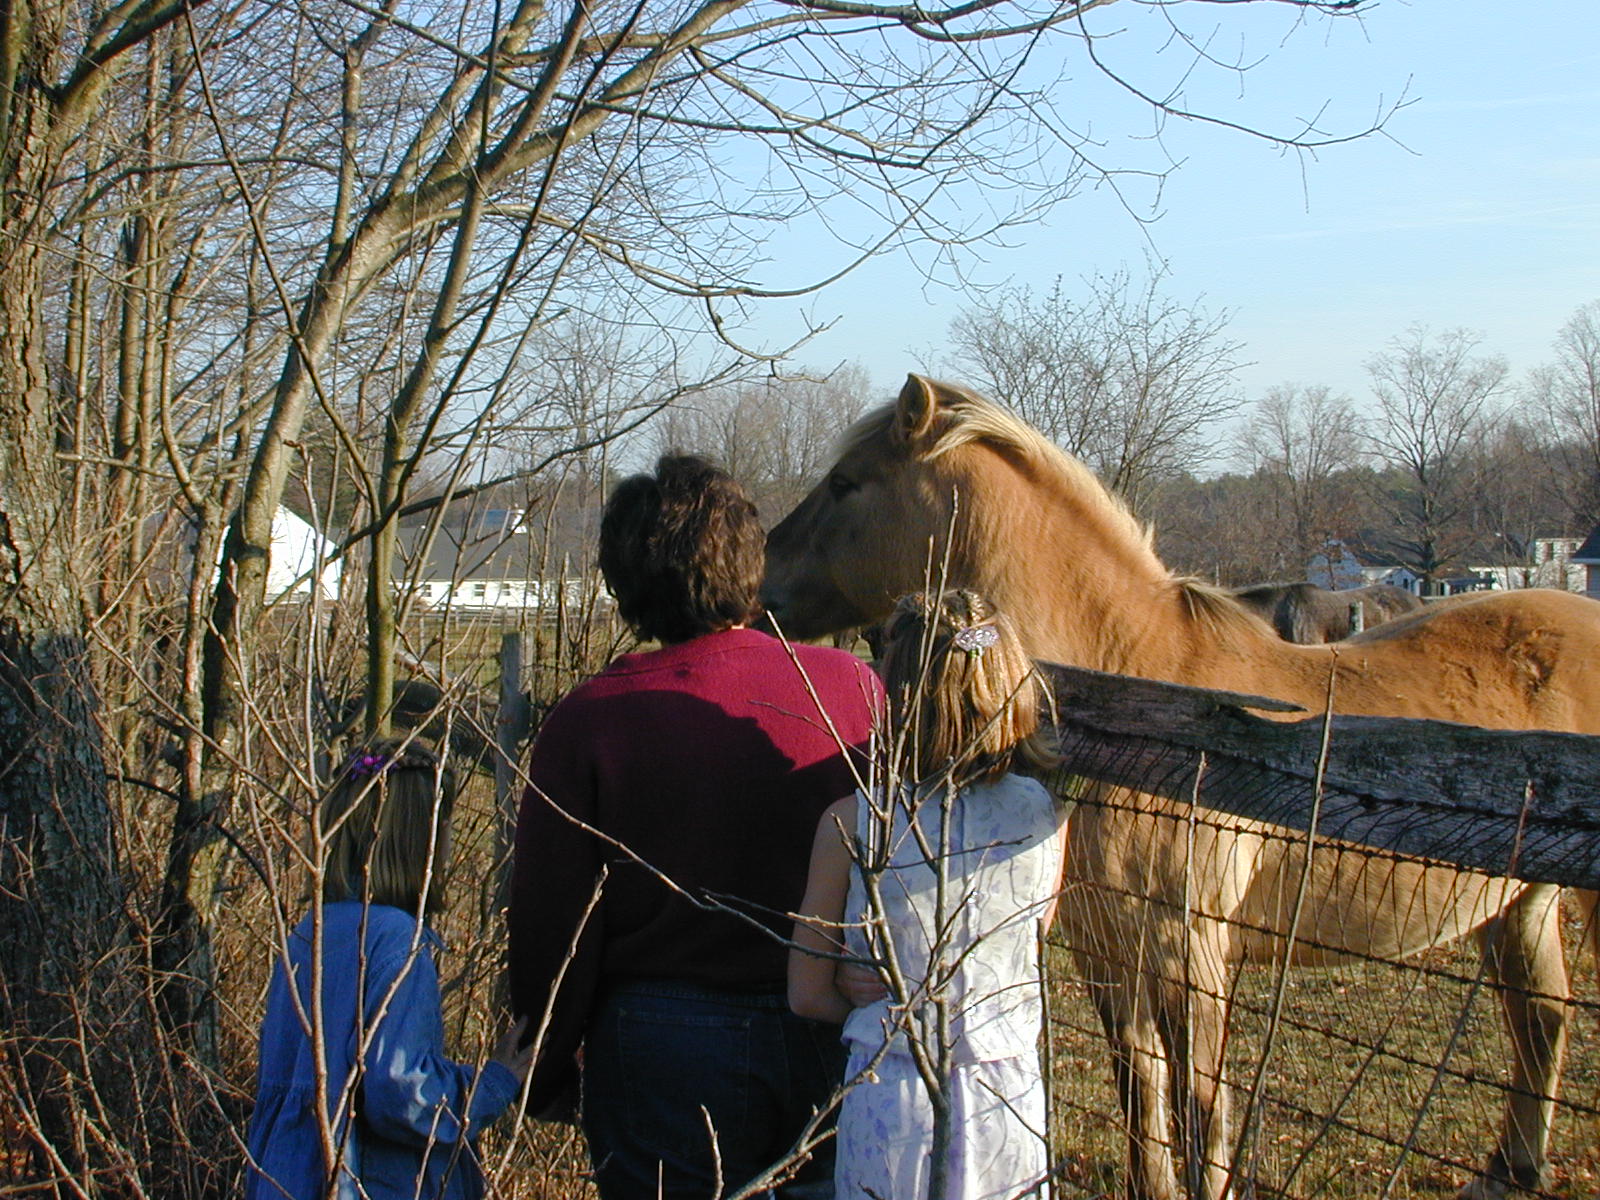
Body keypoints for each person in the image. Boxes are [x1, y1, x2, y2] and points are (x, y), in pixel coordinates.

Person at [508, 454, 882, 1200]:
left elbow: (554, 921)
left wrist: (543, 1071)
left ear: (626, 584)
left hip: (659, 1050)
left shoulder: (590, 719)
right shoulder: (852, 690)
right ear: (750, 562)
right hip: (835, 1035)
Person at [789, 590, 1069, 1200]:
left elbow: (807, 993)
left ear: (893, 694)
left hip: (893, 1091)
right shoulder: (1045, 817)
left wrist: (864, 1000)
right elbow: (1031, 933)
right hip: (1008, 1095)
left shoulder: (852, 823)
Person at [246, 739, 533, 1200]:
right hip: (368, 1181)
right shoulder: (396, 938)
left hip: (285, 1177)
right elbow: (401, 1092)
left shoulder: (308, 932)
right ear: (420, 840)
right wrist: (493, 1085)